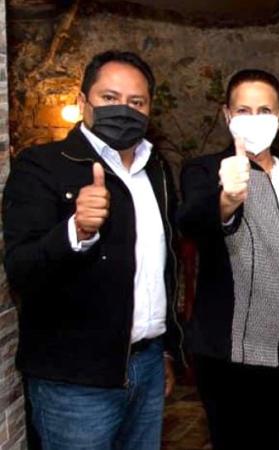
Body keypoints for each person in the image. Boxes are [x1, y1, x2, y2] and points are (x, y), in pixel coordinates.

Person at [3, 50, 180, 450]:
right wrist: (76, 230)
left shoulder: (156, 169)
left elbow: (161, 270)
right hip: (75, 381)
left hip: (147, 366)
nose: (124, 110)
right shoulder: (42, 167)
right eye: (109, 98)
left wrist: (165, 352)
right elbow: (21, 268)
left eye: (136, 102)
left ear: (149, 109)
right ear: (83, 101)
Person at [176, 69, 279, 450]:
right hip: (227, 355)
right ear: (227, 115)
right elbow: (192, 222)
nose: (254, 118)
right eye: (243, 110)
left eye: (265, 110)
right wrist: (226, 199)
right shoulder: (205, 171)